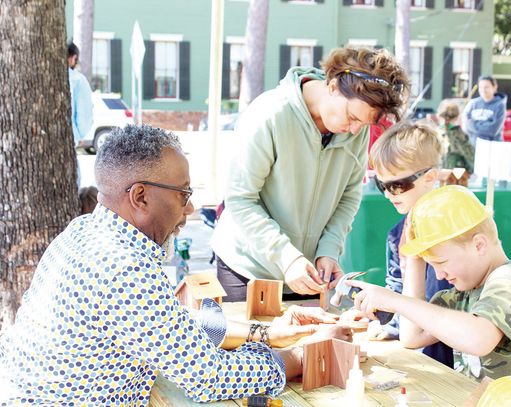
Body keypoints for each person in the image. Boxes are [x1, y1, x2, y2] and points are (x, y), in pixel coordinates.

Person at [0, 124, 349, 405]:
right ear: (140, 196)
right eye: (183, 194)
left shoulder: (83, 230)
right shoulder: (125, 268)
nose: (190, 210)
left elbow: (166, 327)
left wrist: (265, 334)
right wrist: (302, 358)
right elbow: (208, 378)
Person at [211, 46, 409, 301]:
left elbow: (349, 196)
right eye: (352, 117)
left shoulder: (355, 130)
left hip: (307, 273)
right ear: (334, 85)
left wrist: (328, 250)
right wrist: (286, 257)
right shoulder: (269, 114)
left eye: (364, 124)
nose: (354, 130)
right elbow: (240, 199)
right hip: (248, 268)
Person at [348, 185, 511, 380]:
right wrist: (415, 260)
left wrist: (394, 300)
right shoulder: (462, 294)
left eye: (441, 263)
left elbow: (479, 339)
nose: (439, 276)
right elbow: (412, 336)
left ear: (479, 245)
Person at [365, 121, 454, 367]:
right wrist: (386, 319)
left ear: (430, 178)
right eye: (381, 185)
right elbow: (396, 285)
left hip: (456, 356)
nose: (387, 194)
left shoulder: (455, 229)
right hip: (417, 348)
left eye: (397, 185)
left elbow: (454, 306)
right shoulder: (397, 234)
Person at [462, 76, 507, 145]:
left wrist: (473, 124)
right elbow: (465, 125)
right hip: (473, 147)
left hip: (492, 147)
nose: (483, 90)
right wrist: (485, 124)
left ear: (494, 87)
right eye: (480, 87)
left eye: (486, 87)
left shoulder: (500, 105)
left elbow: (493, 130)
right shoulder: (472, 103)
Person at [437, 100, 475, 174]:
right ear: (458, 117)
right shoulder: (461, 136)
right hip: (455, 179)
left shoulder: (433, 134)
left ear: (438, 115)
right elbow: (471, 161)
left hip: (435, 179)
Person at [67, 41, 93, 147]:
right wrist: (79, 135)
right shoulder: (78, 80)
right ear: (74, 58)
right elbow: (83, 111)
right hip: (70, 134)